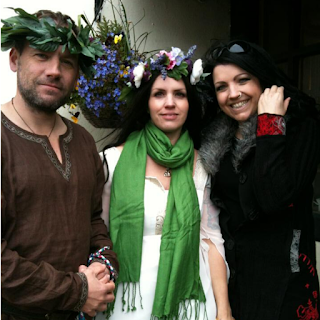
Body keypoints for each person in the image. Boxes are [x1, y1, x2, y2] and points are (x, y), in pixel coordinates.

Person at [96, 46, 234, 320]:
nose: (169, 103)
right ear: (146, 104)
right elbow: (97, 234)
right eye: (159, 94)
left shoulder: (203, 164)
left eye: (179, 95)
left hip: (191, 299)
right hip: (129, 301)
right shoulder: (111, 162)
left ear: (189, 103)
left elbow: (210, 238)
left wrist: (224, 310)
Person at [1, 8, 119, 320]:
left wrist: (102, 265)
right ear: (15, 59)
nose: (55, 70)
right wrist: (78, 291)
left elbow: (93, 220)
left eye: (67, 62)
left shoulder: (81, 141)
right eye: (42, 56)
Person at [199, 39, 320, 320]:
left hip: (285, 282)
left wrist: (270, 123)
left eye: (243, 80)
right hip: (235, 279)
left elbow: (273, 198)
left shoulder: (301, 125)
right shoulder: (216, 137)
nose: (233, 93)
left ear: (262, 80)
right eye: (222, 87)